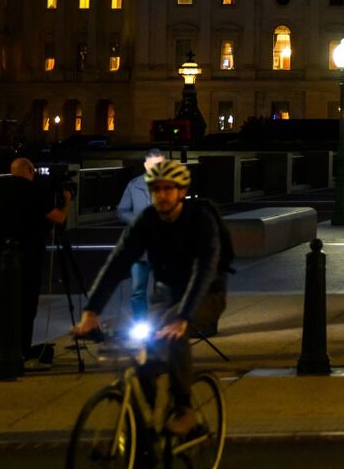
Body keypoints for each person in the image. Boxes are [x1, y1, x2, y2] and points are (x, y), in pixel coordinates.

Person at [71, 161, 227, 438]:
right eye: (156, 189)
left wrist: (184, 317)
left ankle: (184, 409)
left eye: (168, 189)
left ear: (182, 192)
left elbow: (205, 270)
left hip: (206, 293)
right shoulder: (148, 221)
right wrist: (91, 312)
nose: (161, 195)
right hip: (166, 294)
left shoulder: (200, 220)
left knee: (172, 331)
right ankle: (146, 429)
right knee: (142, 350)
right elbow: (117, 264)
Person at [0, 157, 68, 364]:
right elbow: (58, 217)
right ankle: (21, 347)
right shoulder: (33, 190)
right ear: (29, 170)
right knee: (26, 304)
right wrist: (67, 200)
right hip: (27, 258)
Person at [117, 152, 166, 327]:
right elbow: (122, 211)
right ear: (146, 165)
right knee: (138, 290)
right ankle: (142, 326)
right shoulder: (134, 185)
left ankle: (161, 325)